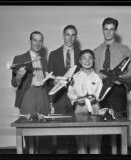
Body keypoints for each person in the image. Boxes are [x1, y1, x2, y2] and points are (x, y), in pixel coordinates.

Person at [93, 17, 131, 153]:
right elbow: (92, 75)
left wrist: (120, 78)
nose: (108, 32)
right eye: (106, 29)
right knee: (102, 127)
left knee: (119, 126)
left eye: (111, 29)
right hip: (101, 92)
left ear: (115, 31)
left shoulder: (124, 49)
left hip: (118, 92)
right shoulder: (95, 51)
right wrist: (97, 76)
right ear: (102, 30)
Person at [11, 31, 51, 153]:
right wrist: (18, 76)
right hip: (28, 94)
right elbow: (14, 83)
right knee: (28, 131)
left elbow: (46, 83)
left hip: (43, 94)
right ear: (30, 41)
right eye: (35, 40)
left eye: (40, 41)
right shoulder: (19, 58)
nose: (37, 43)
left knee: (45, 130)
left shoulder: (44, 60)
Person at [48, 25, 81, 153]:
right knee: (60, 130)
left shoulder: (81, 54)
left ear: (76, 37)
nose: (70, 38)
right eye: (67, 34)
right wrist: (54, 79)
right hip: (59, 98)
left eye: (73, 35)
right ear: (63, 36)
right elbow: (49, 77)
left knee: (76, 131)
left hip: (76, 97)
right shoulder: (53, 54)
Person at [67, 49, 103, 154]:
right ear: (79, 61)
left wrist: (95, 98)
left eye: (90, 58)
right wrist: (77, 99)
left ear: (94, 60)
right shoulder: (75, 77)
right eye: (84, 58)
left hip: (95, 107)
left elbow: (100, 92)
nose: (87, 61)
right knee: (80, 138)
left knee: (95, 138)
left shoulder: (98, 77)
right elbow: (70, 92)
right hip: (80, 108)